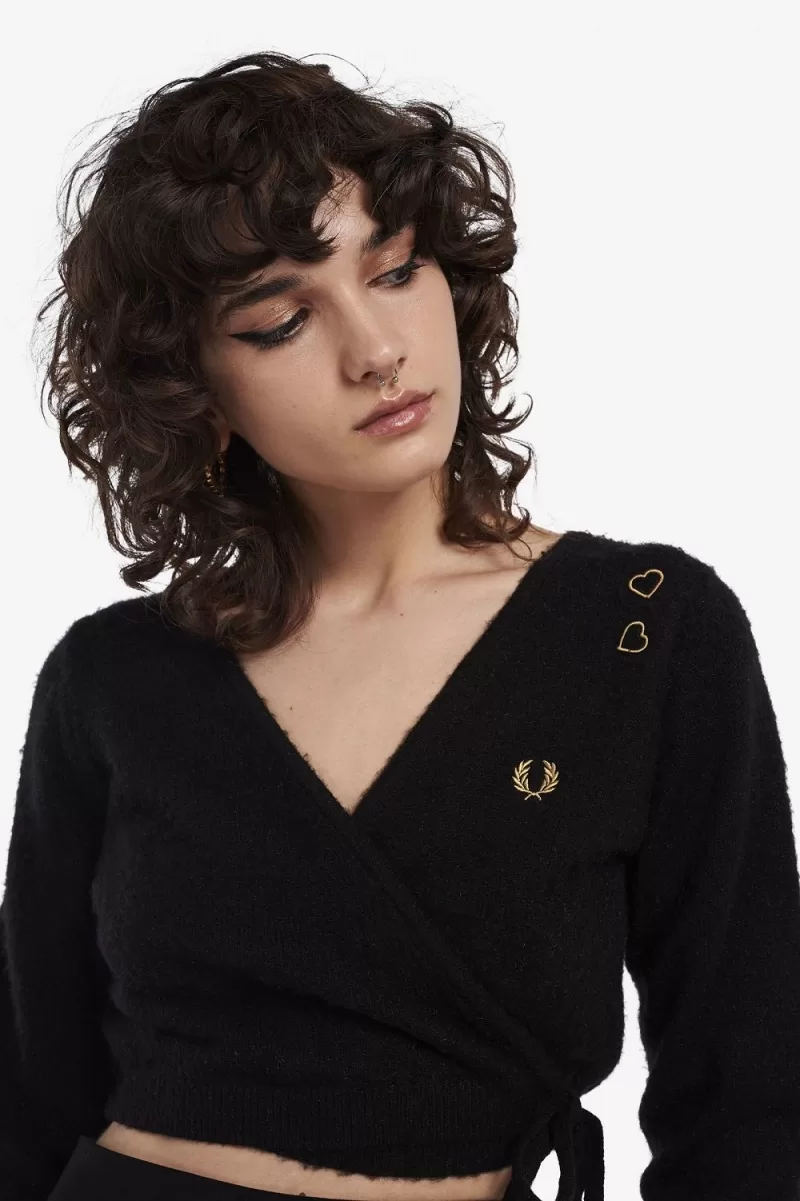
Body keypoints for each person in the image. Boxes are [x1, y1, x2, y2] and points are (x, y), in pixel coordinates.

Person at [2, 49, 799, 1201]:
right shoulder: (112, 678)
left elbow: (747, 1104)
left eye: (394, 270)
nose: (374, 350)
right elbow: (31, 1090)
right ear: (193, 389)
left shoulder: (645, 633)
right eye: (281, 320)